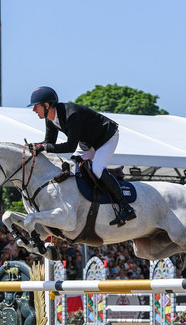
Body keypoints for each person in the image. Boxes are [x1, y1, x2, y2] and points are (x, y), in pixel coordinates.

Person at [27, 86, 136, 226]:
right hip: (88, 142)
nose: (34, 110)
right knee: (73, 167)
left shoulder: (72, 114)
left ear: (46, 105)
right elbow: (48, 143)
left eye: (36, 106)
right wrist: (36, 146)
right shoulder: (50, 118)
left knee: (97, 168)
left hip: (106, 137)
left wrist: (44, 147)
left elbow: (70, 146)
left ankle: (125, 207)